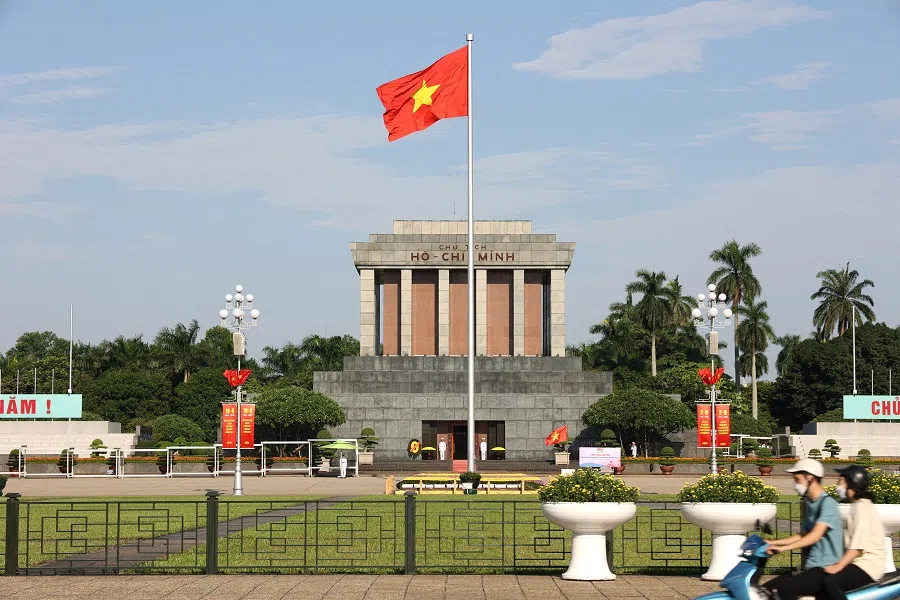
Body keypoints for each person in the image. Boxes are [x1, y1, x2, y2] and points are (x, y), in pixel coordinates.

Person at [763, 458, 844, 600]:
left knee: (781, 590)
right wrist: (774, 543)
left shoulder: (828, 503)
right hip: (813, 566)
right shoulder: (812, 503)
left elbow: (814, 536)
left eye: (797, 479)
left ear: (810, 477)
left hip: (825, 568)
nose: (795, 484)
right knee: (767, 589)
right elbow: (803, 535)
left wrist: (782, 549)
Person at [821, 465, 885, 600]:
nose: (838, 485)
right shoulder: (858, 505)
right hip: (860, 563)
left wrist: (838, 566)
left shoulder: (862, 508)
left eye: (841, 481)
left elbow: (857, 547)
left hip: (868, 565)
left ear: (852, 484)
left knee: (831, 582)